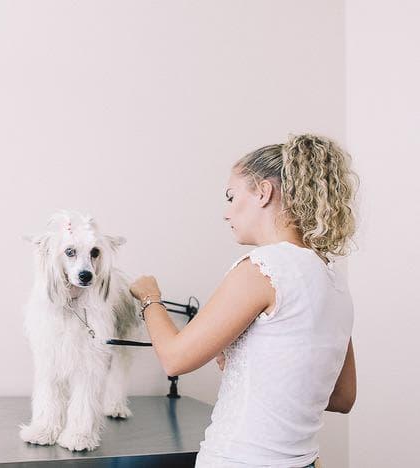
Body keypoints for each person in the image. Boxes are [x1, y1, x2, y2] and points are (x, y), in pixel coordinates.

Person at [129, 133, 358, 468]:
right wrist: (252, 364)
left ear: (263, 192)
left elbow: (174, 359)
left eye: (231, 196)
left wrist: (150, 297)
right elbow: (342, 397)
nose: (226, 213)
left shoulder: (264, 268)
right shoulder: (333, 280)